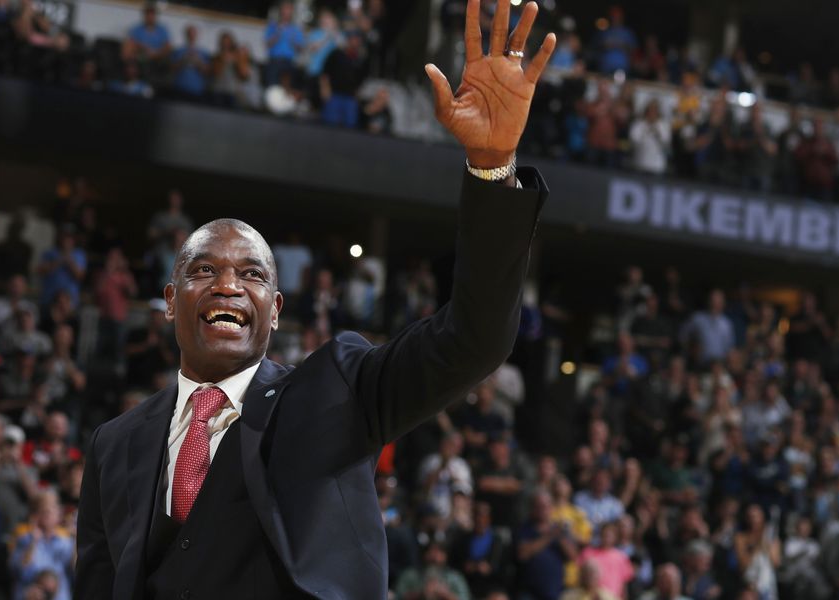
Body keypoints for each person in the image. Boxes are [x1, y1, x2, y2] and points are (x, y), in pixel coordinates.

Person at [75, 1, 556, 597]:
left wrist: (491, 169)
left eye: (252, 275)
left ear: (275, 310)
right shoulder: (114, 443)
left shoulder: (336, 391)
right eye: (206, 270)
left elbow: (474, 340)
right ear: (171, 300)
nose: (228, 284)